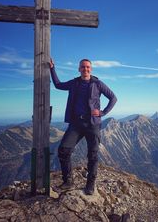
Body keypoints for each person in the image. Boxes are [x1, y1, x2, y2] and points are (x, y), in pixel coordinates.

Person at [49, 58, 117, 195]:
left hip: (93, 124)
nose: (85, 69)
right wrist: (52, 68)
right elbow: (57, 85)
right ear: (79, 69)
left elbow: (113, 98)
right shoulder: (74, 83)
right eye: (83, 67)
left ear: (90, 69)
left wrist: (103, 112)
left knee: (93, 155)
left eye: (87, 67)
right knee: (63, 150)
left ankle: (90, 184)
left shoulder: (97, 83)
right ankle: (68, 181)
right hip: (76, 124)